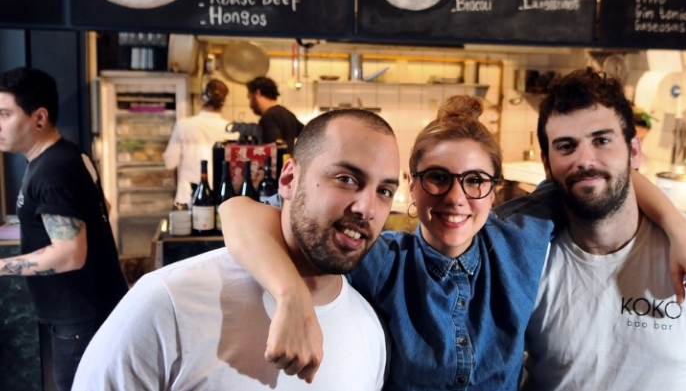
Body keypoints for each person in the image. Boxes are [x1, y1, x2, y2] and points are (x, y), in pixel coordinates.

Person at [220, 94, 686, 389]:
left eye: (476, 180)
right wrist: (290, 295)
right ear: (410, 186)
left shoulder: (520, 234)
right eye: (437, 177)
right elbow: (237, 212)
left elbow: (602, 175)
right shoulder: (379, 258)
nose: (457, 198)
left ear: (495, 189)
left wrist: (679, 228)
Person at [71, 108, 395, 390]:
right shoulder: (167, 303)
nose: (367, 207)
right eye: (346, 179)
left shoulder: (369, 332)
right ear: (289, 180)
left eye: (384, 190)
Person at [512, 68, 686, 390]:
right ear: (547, 165)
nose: (585, 159)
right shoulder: (527, 257)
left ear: (634, 151)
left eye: (602, 140)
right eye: (565, 146)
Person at [0, 67, 128, 391]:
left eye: (5, 114)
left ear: (39, 117)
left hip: (79, 316)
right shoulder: (69, 155)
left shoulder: (52, 169)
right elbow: (103, 208)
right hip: (92, 308)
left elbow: (70, 254)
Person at [163, 78, 237, 204]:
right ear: (222, 102)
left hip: (189, 197)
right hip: (222, 196)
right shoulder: (232, 129)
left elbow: (170, 162)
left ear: (202, 99)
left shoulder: (184, 125)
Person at [246, 75, 304, 149]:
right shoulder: (288, 114)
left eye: (249, 97)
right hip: (288, 160)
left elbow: (272, 149)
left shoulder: (268, 118)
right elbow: (307, 134)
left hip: (277, 160)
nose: (250, 104)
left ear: (257, 93)